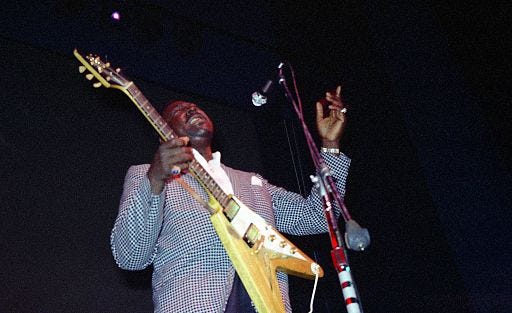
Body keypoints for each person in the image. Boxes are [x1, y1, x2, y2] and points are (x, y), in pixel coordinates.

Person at [110, 86, 351, 313]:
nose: (191, 110)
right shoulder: (150, 176)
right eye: (178, 112)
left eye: (194, 106)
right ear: (163, 133)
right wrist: (155, 178)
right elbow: (131, 256)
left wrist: (330, 146)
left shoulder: (252, 182)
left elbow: (316, 217)